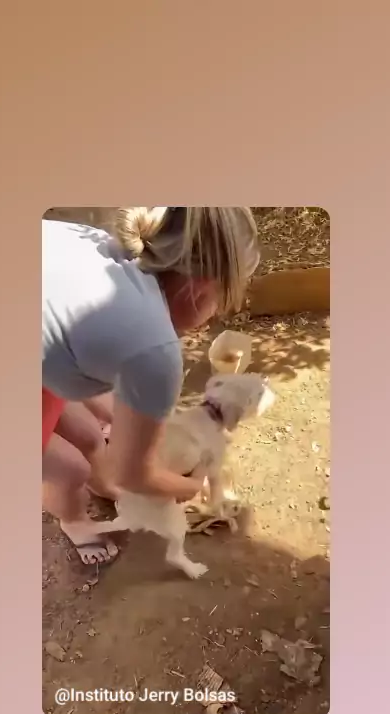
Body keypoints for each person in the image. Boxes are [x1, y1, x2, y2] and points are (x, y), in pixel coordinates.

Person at [42, 206, 260, 564]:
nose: (217, 313)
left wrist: (135, 430)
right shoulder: (154, 350)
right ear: (201, 288)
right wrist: (192, 485)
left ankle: (103, 486)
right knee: (70, 470)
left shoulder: (104, 248)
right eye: (221, 300)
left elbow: (75, 356)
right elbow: (132, 473)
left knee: (91, 436)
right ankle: (75, 522)